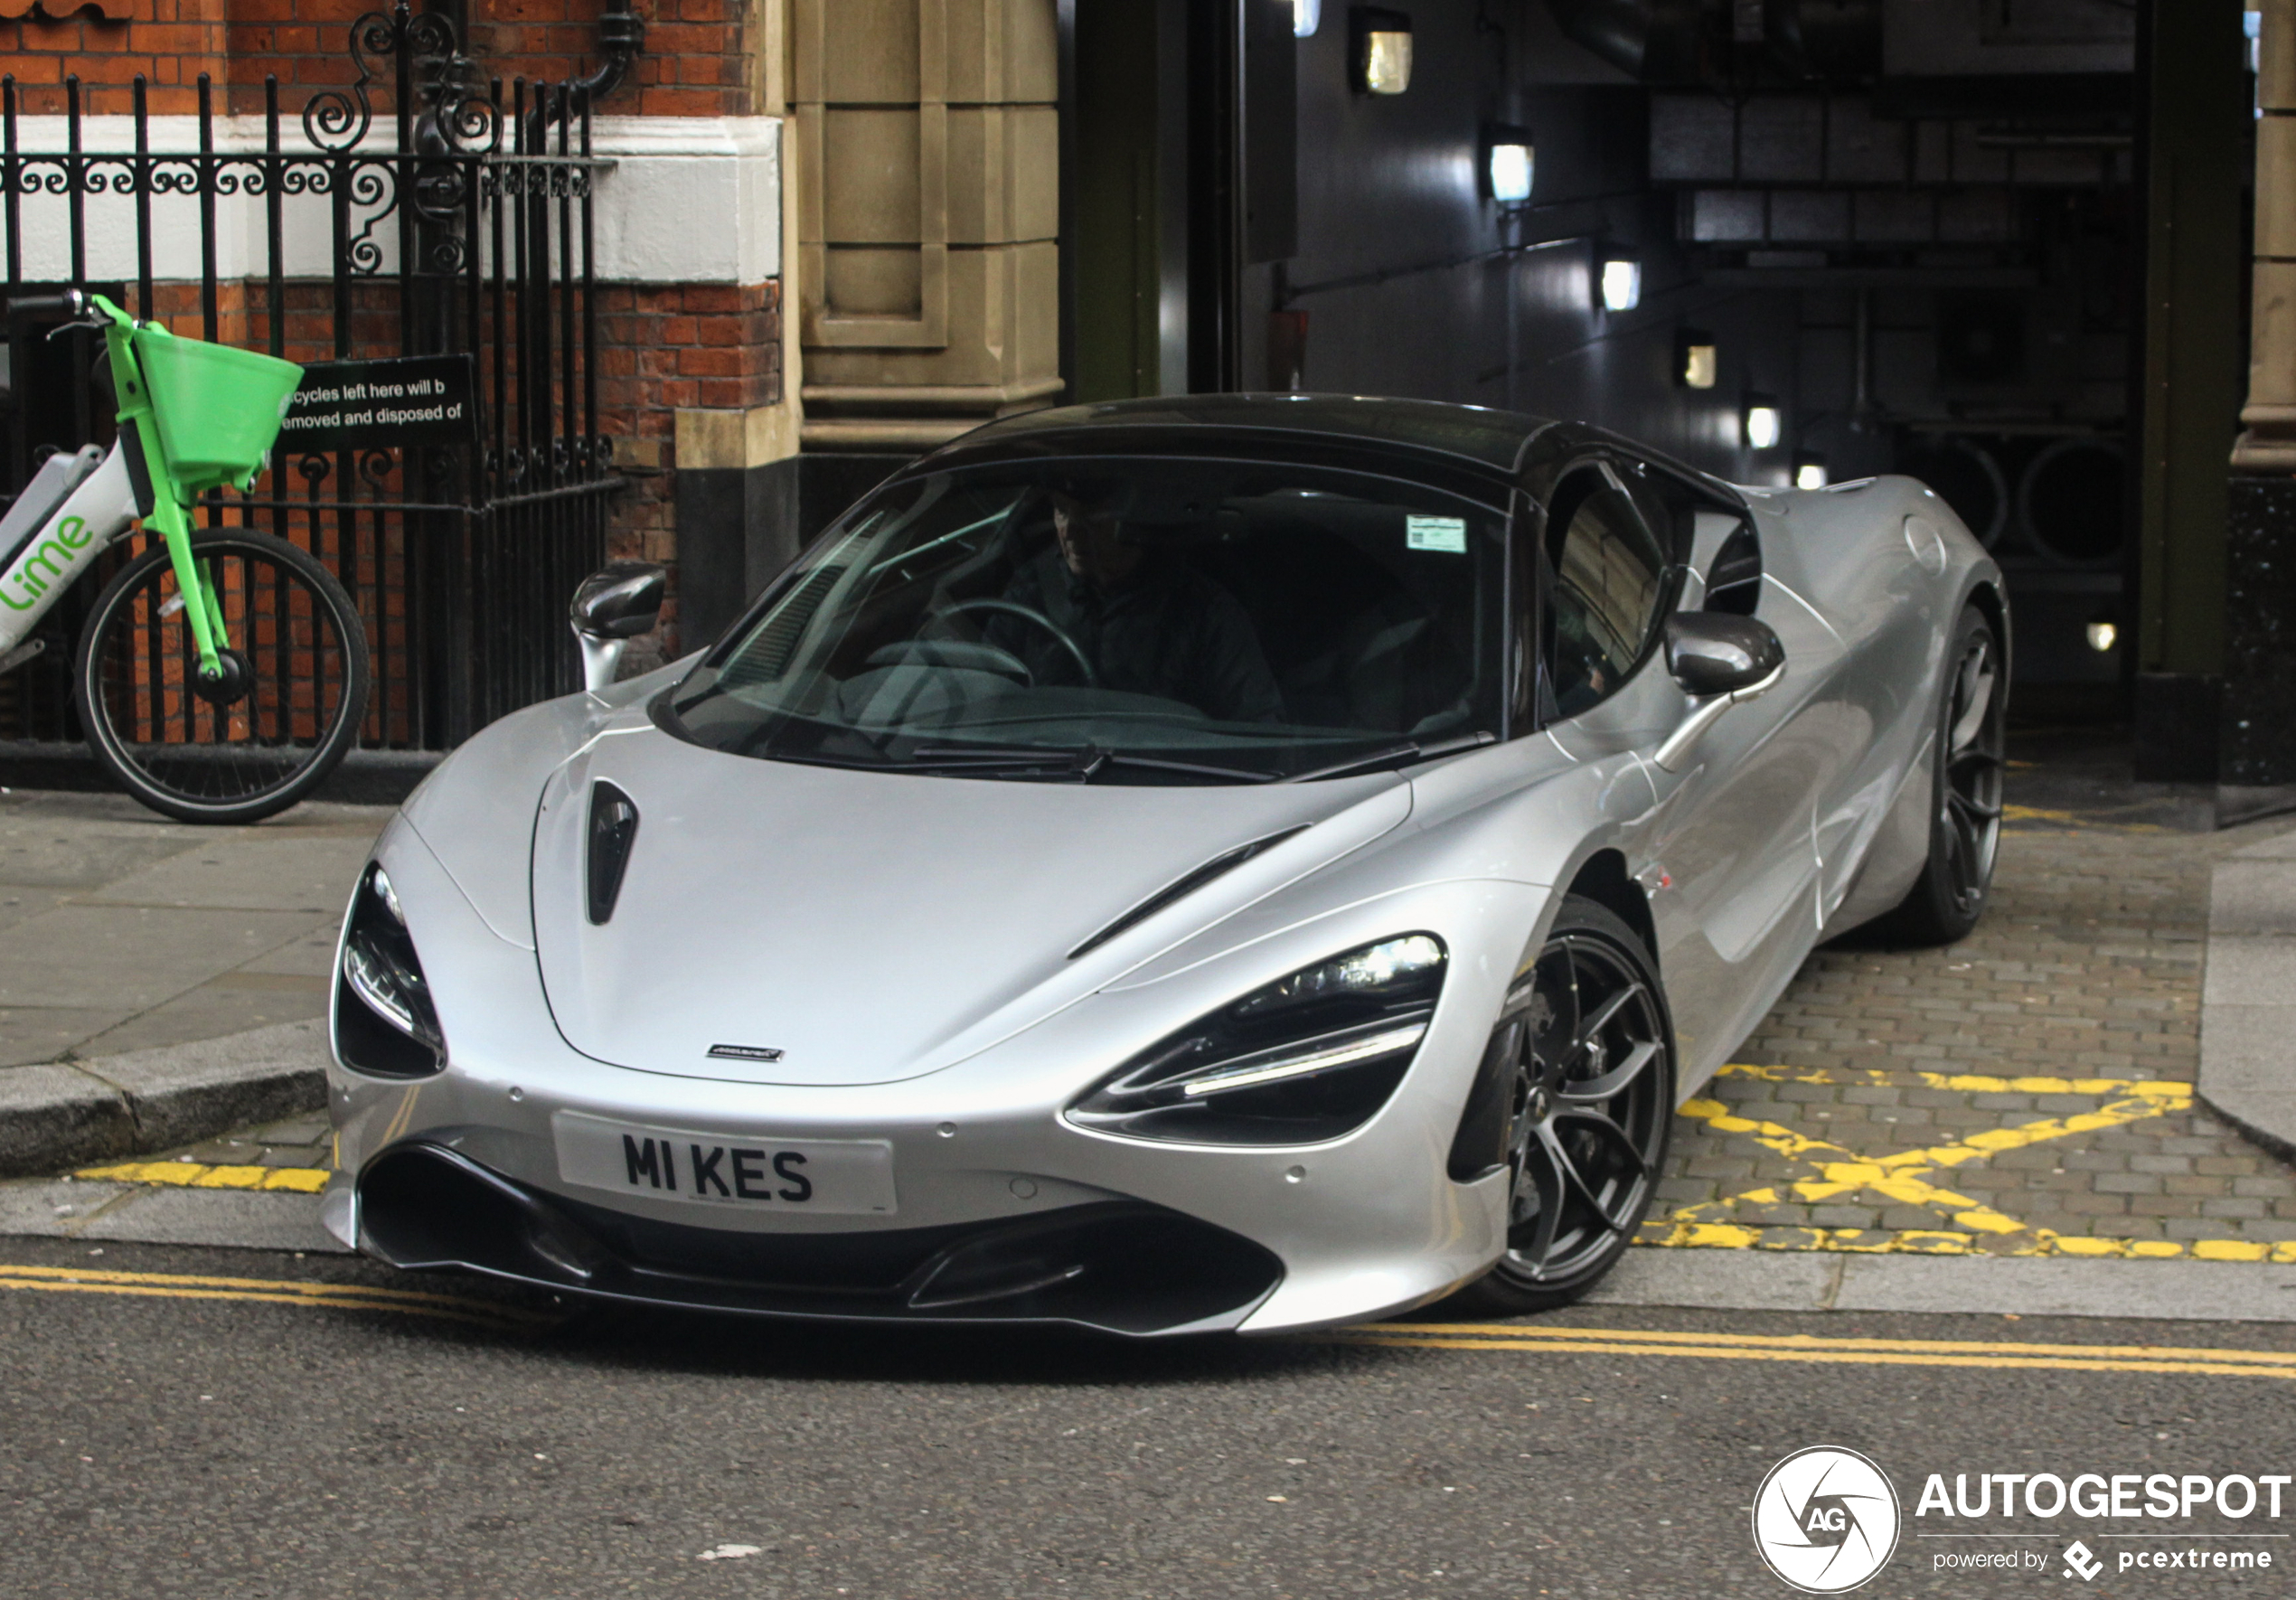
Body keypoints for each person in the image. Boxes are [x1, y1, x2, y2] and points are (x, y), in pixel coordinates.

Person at [982, 484, 1285, 723]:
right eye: (1062, 511)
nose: (1071, 531)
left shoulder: (1199, 608)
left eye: (1090, 514)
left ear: (1133, 519)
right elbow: (986, 698)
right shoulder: (1032, 591)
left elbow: (1258, 721)